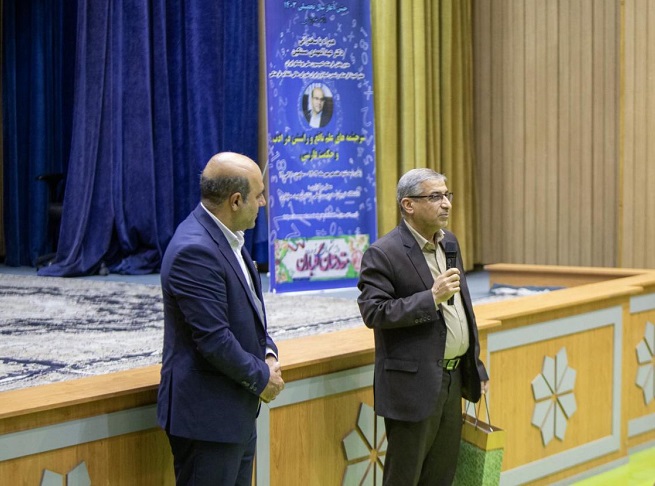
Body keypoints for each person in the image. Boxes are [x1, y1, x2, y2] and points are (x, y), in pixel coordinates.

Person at [157, 152, 284, 485]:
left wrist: (268, 353)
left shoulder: (231, 238)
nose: (264, 202)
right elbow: (214, 339)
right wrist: (263, 378)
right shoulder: (195, 250)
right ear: (236, 200)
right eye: (259, 195)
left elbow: (249, 316)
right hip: (207, 421)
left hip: (234, 412)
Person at [357, 168, 489, 485]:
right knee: (405, 477)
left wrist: (476, 366)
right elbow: (374, 312)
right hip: (412, 387)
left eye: (447, 195)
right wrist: (431, 298)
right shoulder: (383, 253)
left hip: (453, 378)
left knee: (441, 476)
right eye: (435, 196)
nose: (446, 203)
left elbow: (463, 312)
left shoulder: (449, 243)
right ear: (409, 205)